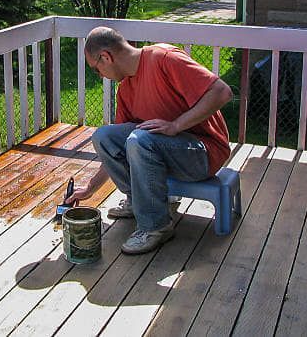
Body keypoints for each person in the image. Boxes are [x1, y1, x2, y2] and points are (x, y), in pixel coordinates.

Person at [66, 26, 233, 254]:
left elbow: (222, 92)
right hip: (165, 156)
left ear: (106, 57)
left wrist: (175, 126)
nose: (100, 75)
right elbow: (118, 150)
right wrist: (90, 189)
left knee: (140, 139)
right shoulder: (126, 90)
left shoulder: (164, 58)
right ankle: (139, 203)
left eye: (96, 69)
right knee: (104, 136)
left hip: (203, 153)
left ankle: (156, 226)